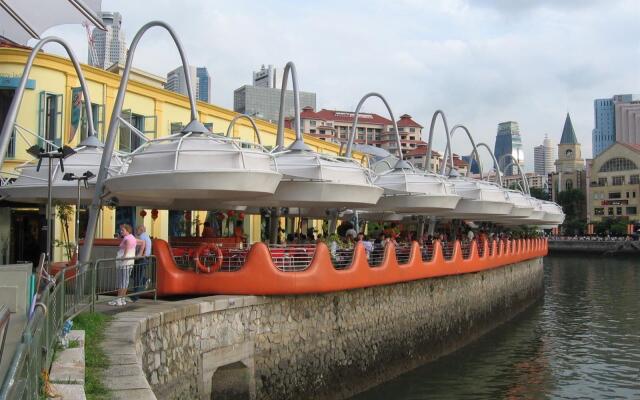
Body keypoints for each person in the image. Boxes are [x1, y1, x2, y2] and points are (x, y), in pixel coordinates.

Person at [110, 224, 145, 306]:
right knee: (125, 281)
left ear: (127, 230)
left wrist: (124, 256)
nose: (121, 232)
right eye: (121, 230)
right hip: (130, 261)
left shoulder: (127, 238)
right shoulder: (133, 237)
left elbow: (127, 247)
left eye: (123, 230)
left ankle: (118, 299)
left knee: (121, 281)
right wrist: (139, 253)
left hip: (123, 262)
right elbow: (143, 242)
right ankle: (122, 299)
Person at [131, 225, 152, 302]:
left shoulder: (141, 238)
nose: (136, 231)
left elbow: (140, 248)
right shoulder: (147, 237)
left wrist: (137, 255)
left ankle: (135, 297)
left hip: (141, 259)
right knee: (135, 275)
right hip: (145, 258)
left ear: (141, 230)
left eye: (137, 229)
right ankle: (145, 280)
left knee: (137, 278)